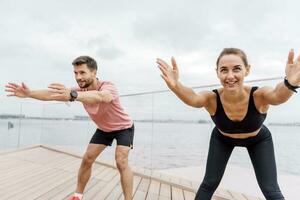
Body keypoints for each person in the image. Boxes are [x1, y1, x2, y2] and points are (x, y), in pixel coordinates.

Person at [156, 48, 300, 200]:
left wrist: (290, 84)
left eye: (237, 69)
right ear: (217, 72)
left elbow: (277, 95)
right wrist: (176, 86)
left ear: (247, 70)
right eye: (224, 70)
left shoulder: (259, 95)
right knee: (209, 183)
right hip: (222, 139)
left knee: (271, 190)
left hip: (258, 139)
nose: (230, 76)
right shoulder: (211, 98)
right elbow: (193, 98)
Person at [5, 56, 134, 200]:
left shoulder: (108, 86)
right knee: (87, 159)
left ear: (94, 72)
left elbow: (101, 96)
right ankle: (77, 196)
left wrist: (74, 95)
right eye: (75, 73)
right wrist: (29, 94)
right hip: (104, 128)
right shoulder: (78, 90)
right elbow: (51, 95)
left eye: (82, 72)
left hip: (124, 127)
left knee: (121, 161)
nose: (78, 77)